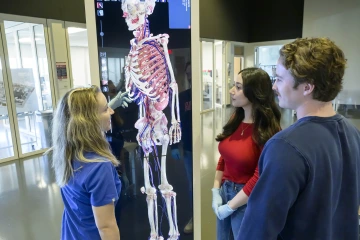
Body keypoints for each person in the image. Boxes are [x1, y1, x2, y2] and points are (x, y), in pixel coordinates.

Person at [237, 38, 360, 240]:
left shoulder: (285, 147)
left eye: (279, 79)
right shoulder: (353, 135)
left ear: (307, 87)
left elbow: (257, 231)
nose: (274, 87)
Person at [212, 67, 281, 240]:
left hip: (247, 198)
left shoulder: (268, 131)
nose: (231, 91)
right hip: (225, 191)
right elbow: (225, 157)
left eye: (238, 87)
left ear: (254, 92)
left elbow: (260, 175)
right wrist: (215, 188)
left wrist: (231, 206)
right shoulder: (235, 119)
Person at [49, 86, 121, 240]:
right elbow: (106, 227)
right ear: (89, 121)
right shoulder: (99, 167)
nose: (112, 112)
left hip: (72, 233)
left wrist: (104, 109)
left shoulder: (68, 153)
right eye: (106, 109)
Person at [171, 61, 193, 233]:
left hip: (211, 147)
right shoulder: (184, 96)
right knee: (192, 185)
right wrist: (174, 145)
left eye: (192, 73)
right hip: (189, 149)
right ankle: (195, 216)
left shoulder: (208, 96)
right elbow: (176, 122)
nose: (190, 76)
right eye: (187, 74)